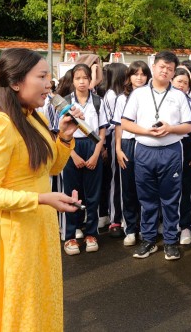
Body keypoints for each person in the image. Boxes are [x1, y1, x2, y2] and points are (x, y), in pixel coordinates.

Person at [0, 48, 82, 331]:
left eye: (49, 77)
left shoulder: (35, 118)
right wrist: (42, 198)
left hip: (40, 226)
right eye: (42, 76)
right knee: (17, 310)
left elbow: (52, 168)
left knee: (40, 304)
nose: (50, 84)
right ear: (16, 82)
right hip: (14, 237)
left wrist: (66, 137)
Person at [121, 51, 191, 261]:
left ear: (173, 72)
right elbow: (125, 122)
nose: (165, 71)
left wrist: (170, 128)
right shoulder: (139, 94)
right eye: (162, 67)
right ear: (153, 67)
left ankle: (170, 241)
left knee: (171, 199)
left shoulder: (179, 95)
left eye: (170, 69)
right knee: (147, 198)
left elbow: (189, 126)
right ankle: (149, 239)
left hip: (171, 151)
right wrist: (146, 131)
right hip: (144, 150)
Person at [62, 64, 108, 255]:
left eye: (85, 78)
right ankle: (71, 235)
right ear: (72, 81)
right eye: (78, 78)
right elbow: (59, 132)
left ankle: (91, 233)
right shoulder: (65, 103)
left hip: (93, 146)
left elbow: (102, 130)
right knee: (72, 194)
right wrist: (73, 154)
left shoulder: (98, 101)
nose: (81, 82)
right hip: (70, 147)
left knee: (93, 194)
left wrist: (96, 154)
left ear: (91, 80)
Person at [112, 61, 151, 247]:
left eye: (143, 74)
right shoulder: (122, 98)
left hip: (147, 144)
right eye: (136, 74)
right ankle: (130, 228)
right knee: (128, 188)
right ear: (129, 77)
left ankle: (146, 227)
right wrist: (118, 149)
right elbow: (118, 126)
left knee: (146, 187)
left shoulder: (152, 97)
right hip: (128, 144)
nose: (139, 77)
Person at [101, 62, 128, 238]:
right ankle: (115, 218)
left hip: (127, 137)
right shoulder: (112, 96)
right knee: (116, 179)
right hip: (115, 137)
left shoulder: (120, 94)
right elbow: (112, 122)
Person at [173, 67, 191, 245]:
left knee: (185, 189)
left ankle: (186, 226)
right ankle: (169, 225)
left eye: (185, 83)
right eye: (179, 81)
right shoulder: (163, 101)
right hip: (167, 149)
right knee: (168, 191)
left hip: (187, 151)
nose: (182, 85)